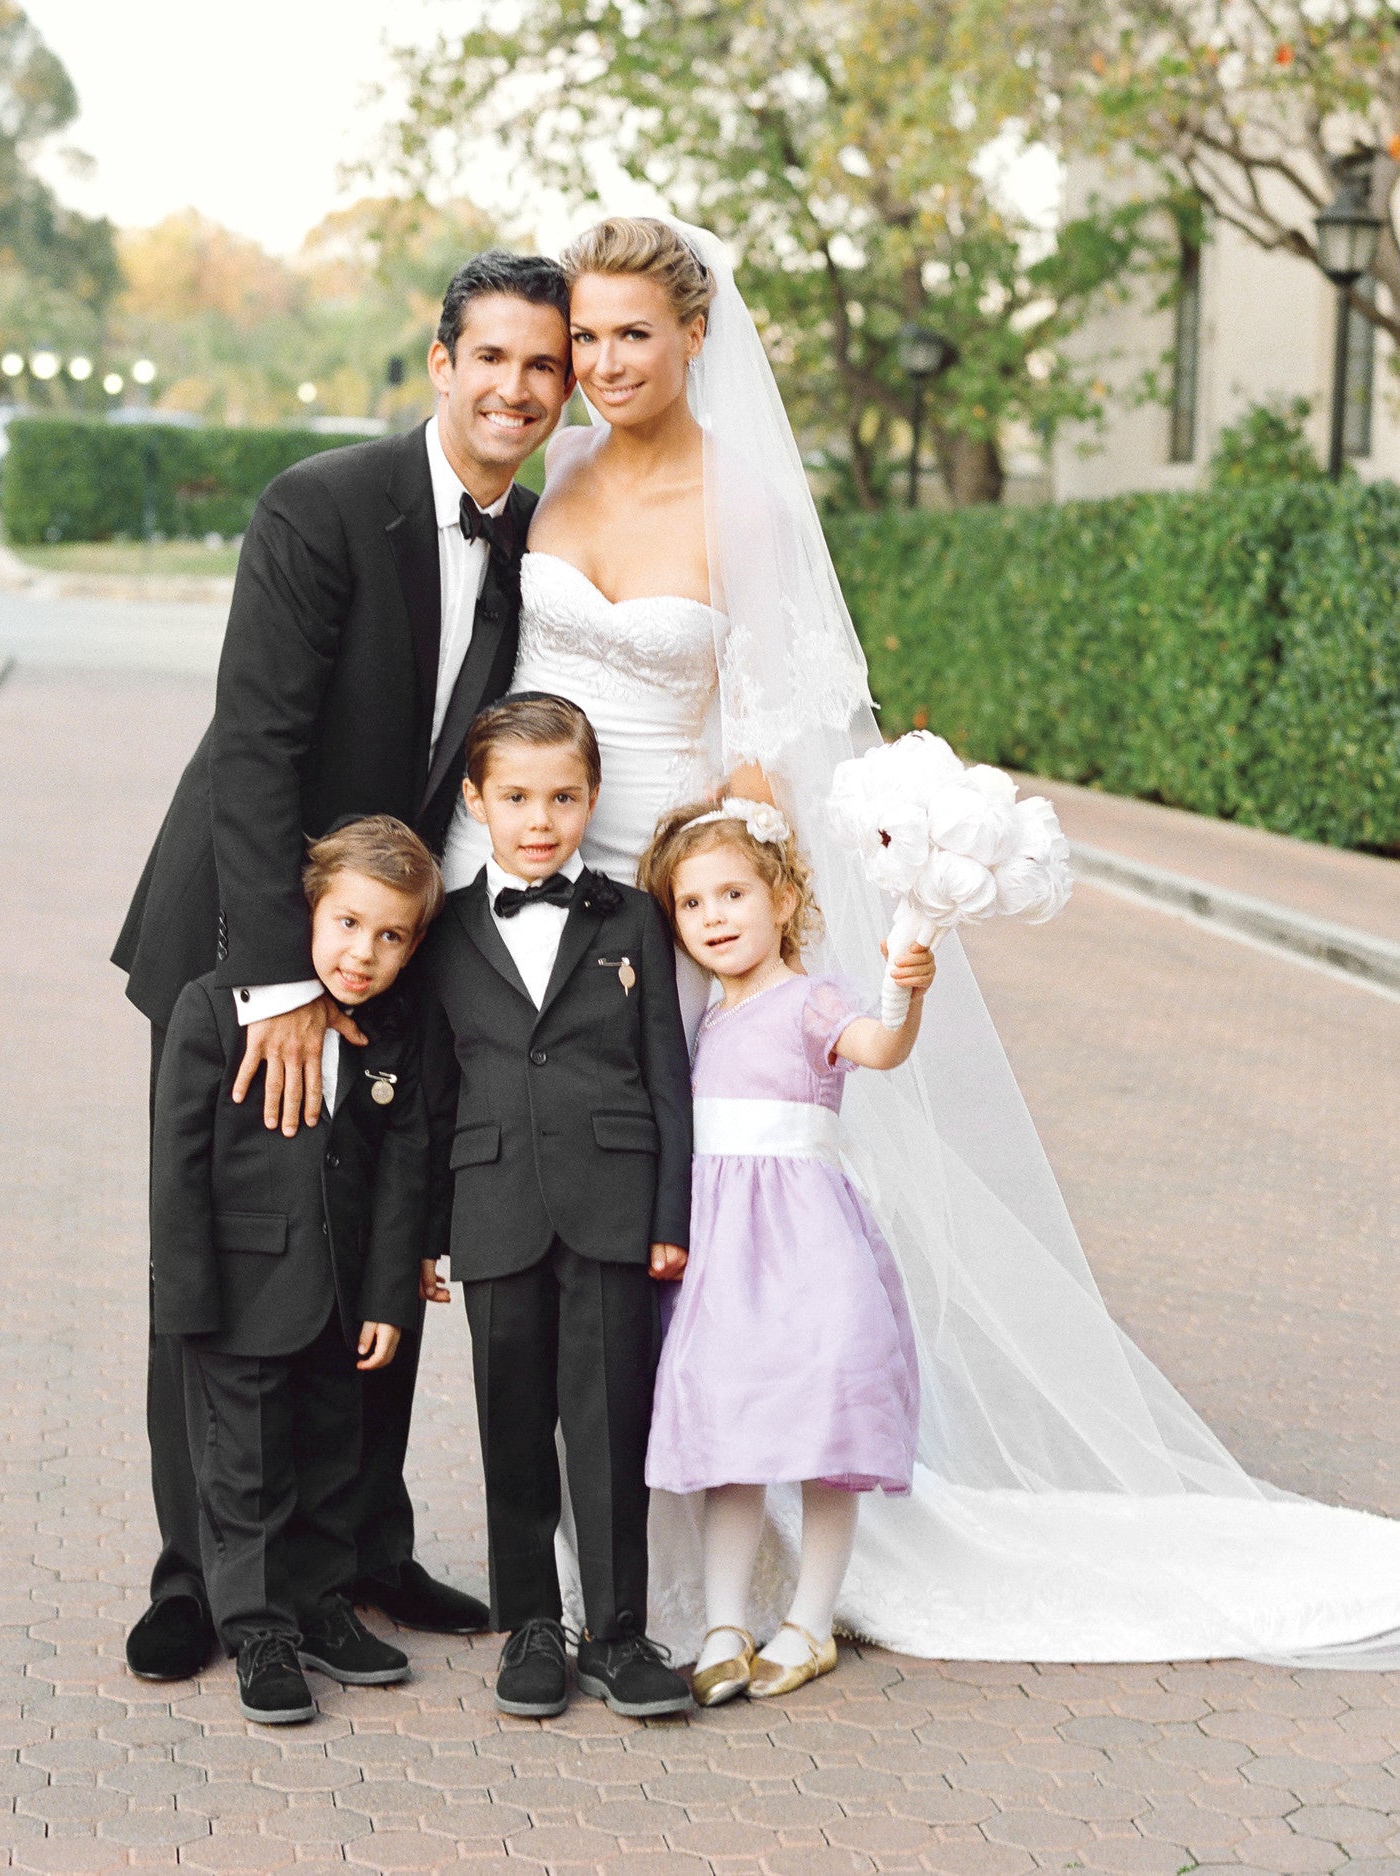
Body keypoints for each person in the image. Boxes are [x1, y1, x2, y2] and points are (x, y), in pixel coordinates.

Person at [442, 214, 1400, 1668]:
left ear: (699, 335)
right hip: (531, 859)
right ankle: (591, 1565)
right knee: (554, 1220)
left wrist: (711, 916)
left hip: (671, 901)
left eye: (635, 331)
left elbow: (770, 740)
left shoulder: (744, 504)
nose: (603, 360)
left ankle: (726, 1547)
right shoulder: (552, 471)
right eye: (587, 334)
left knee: (679, 1223)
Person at [112, 250, 574, 1681]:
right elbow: (254, 750)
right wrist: (282, 987)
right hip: (243, 947)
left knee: (381, 1242)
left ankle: (356, 1550)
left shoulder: (537, 543)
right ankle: (200, 1575)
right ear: (439, 362)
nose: (515, 387)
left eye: (542, 366)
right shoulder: (319, 506)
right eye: (490, 356)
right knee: (238, 1251)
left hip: (400, 956)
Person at [420, 693, 695, 1719]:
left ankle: (618, 1631)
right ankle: (529, 1624)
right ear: (478, 800)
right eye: (520, 797)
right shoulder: (446, 928)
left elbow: (667, 1073)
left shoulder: (632, 917)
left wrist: (671, 1211)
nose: (542, 820)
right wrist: (428, 1235)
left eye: (565, 797)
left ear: (592, 799)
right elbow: (432, 1095)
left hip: (616, 1203)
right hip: (491, 1208)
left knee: (612, 1423)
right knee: (512, 1424)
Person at [640, 798, 934, 1705]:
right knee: (731, 1427)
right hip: (723, 1250)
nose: (715, 918)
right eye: (693, 905)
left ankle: (809, 1622)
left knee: (822, 1421)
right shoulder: (704, 1018)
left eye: (733, 894)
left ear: (781, 898)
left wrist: (905, 991)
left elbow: (879, 1050)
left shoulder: (811, 999)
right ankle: (726, 1619)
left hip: (806, 1243)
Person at [152, 816, 438, 1723]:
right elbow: (178, 1166)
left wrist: (391, 1293)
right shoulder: (213, 1007)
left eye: (391, 936)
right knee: (247, 1470)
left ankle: (320, 1606)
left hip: (344, 1296)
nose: (364, 954)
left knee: (330, 1457)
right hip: (240, 1295)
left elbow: (402, 1172)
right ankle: (258, 1630)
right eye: (348, 924)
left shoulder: (394, 1030)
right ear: (310, 911)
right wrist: (186, 1297)